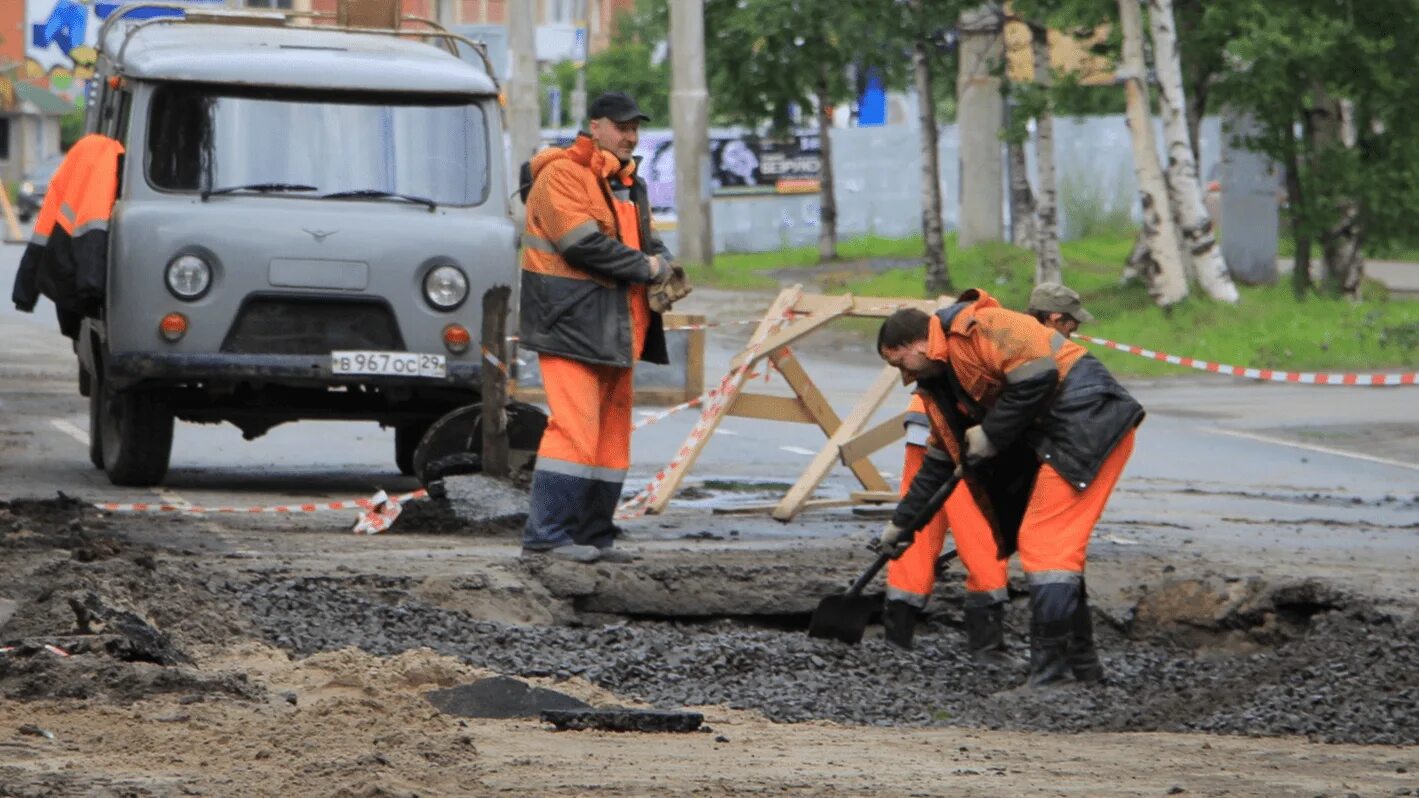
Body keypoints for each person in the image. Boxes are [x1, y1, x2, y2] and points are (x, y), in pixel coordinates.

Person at [874, 288, 1143, 687]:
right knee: (1055, 551)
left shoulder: (986, 324)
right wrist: (903, 525)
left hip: (1088, 420)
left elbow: (1039, 377)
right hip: (1056, 433)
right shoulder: (940, 384)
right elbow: (940, 461)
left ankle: (1054, 680)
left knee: (1045, 545)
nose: (904, 376)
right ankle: (1082, 672)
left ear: (916, 344)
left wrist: (992, 433)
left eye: (901, 362)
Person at [518, 91, 680, 564]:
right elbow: (581, 245)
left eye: (634, 127)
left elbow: (647, 241)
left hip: (617, 330)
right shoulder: (563, 176)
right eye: (621, 126)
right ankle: (547, 536)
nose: (630, 135)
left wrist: (665, 262)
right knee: (573, 432)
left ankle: (594, 535)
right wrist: (651, 269)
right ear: (595, 126)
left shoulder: (627, 183)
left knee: (610, 439)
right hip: (570, 327)